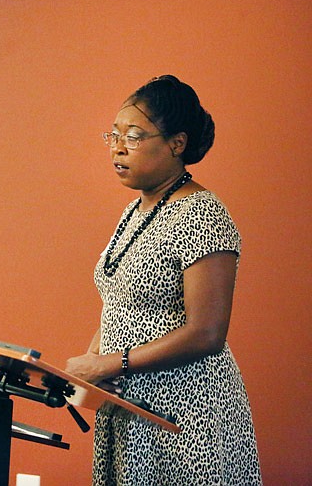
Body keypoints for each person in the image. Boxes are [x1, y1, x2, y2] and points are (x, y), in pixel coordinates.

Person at [64, 75, 261, 485]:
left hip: (186, 412)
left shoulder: (202, 216)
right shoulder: (135, 211)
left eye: (133, 137)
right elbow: (121, 302)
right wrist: (85, 372)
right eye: (113, 135)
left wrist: (111, 363)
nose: (118, 147)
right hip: (128, 408)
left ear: (177, 143)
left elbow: (207, 332)